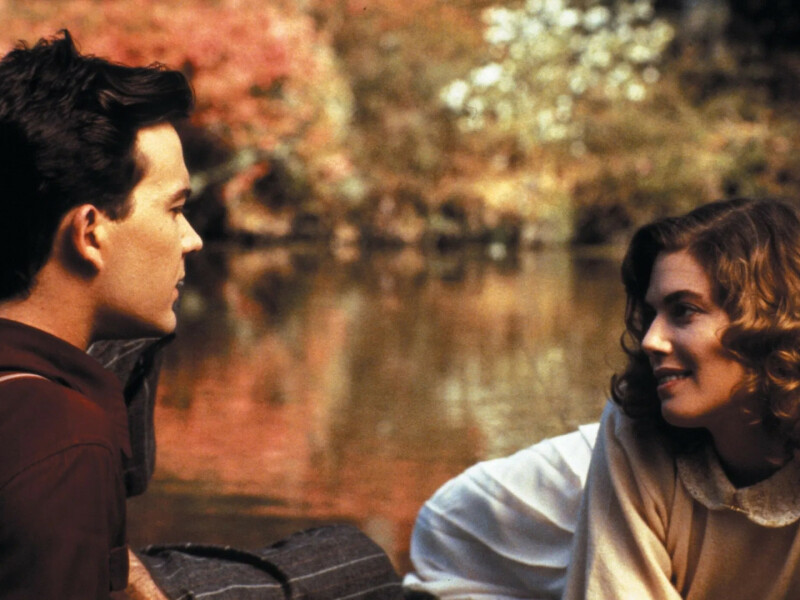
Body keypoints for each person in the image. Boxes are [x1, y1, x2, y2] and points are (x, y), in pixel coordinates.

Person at [0, 31, 403, 599]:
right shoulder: (64, 442)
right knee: (360, 566)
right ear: (90, 232)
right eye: (174, 210)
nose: (192, 239)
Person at [405, 198, 800, 600]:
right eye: (652, 314)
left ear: (773, 319)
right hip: (466, 549)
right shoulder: (633, 430)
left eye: (684, 310)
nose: (650, 340)